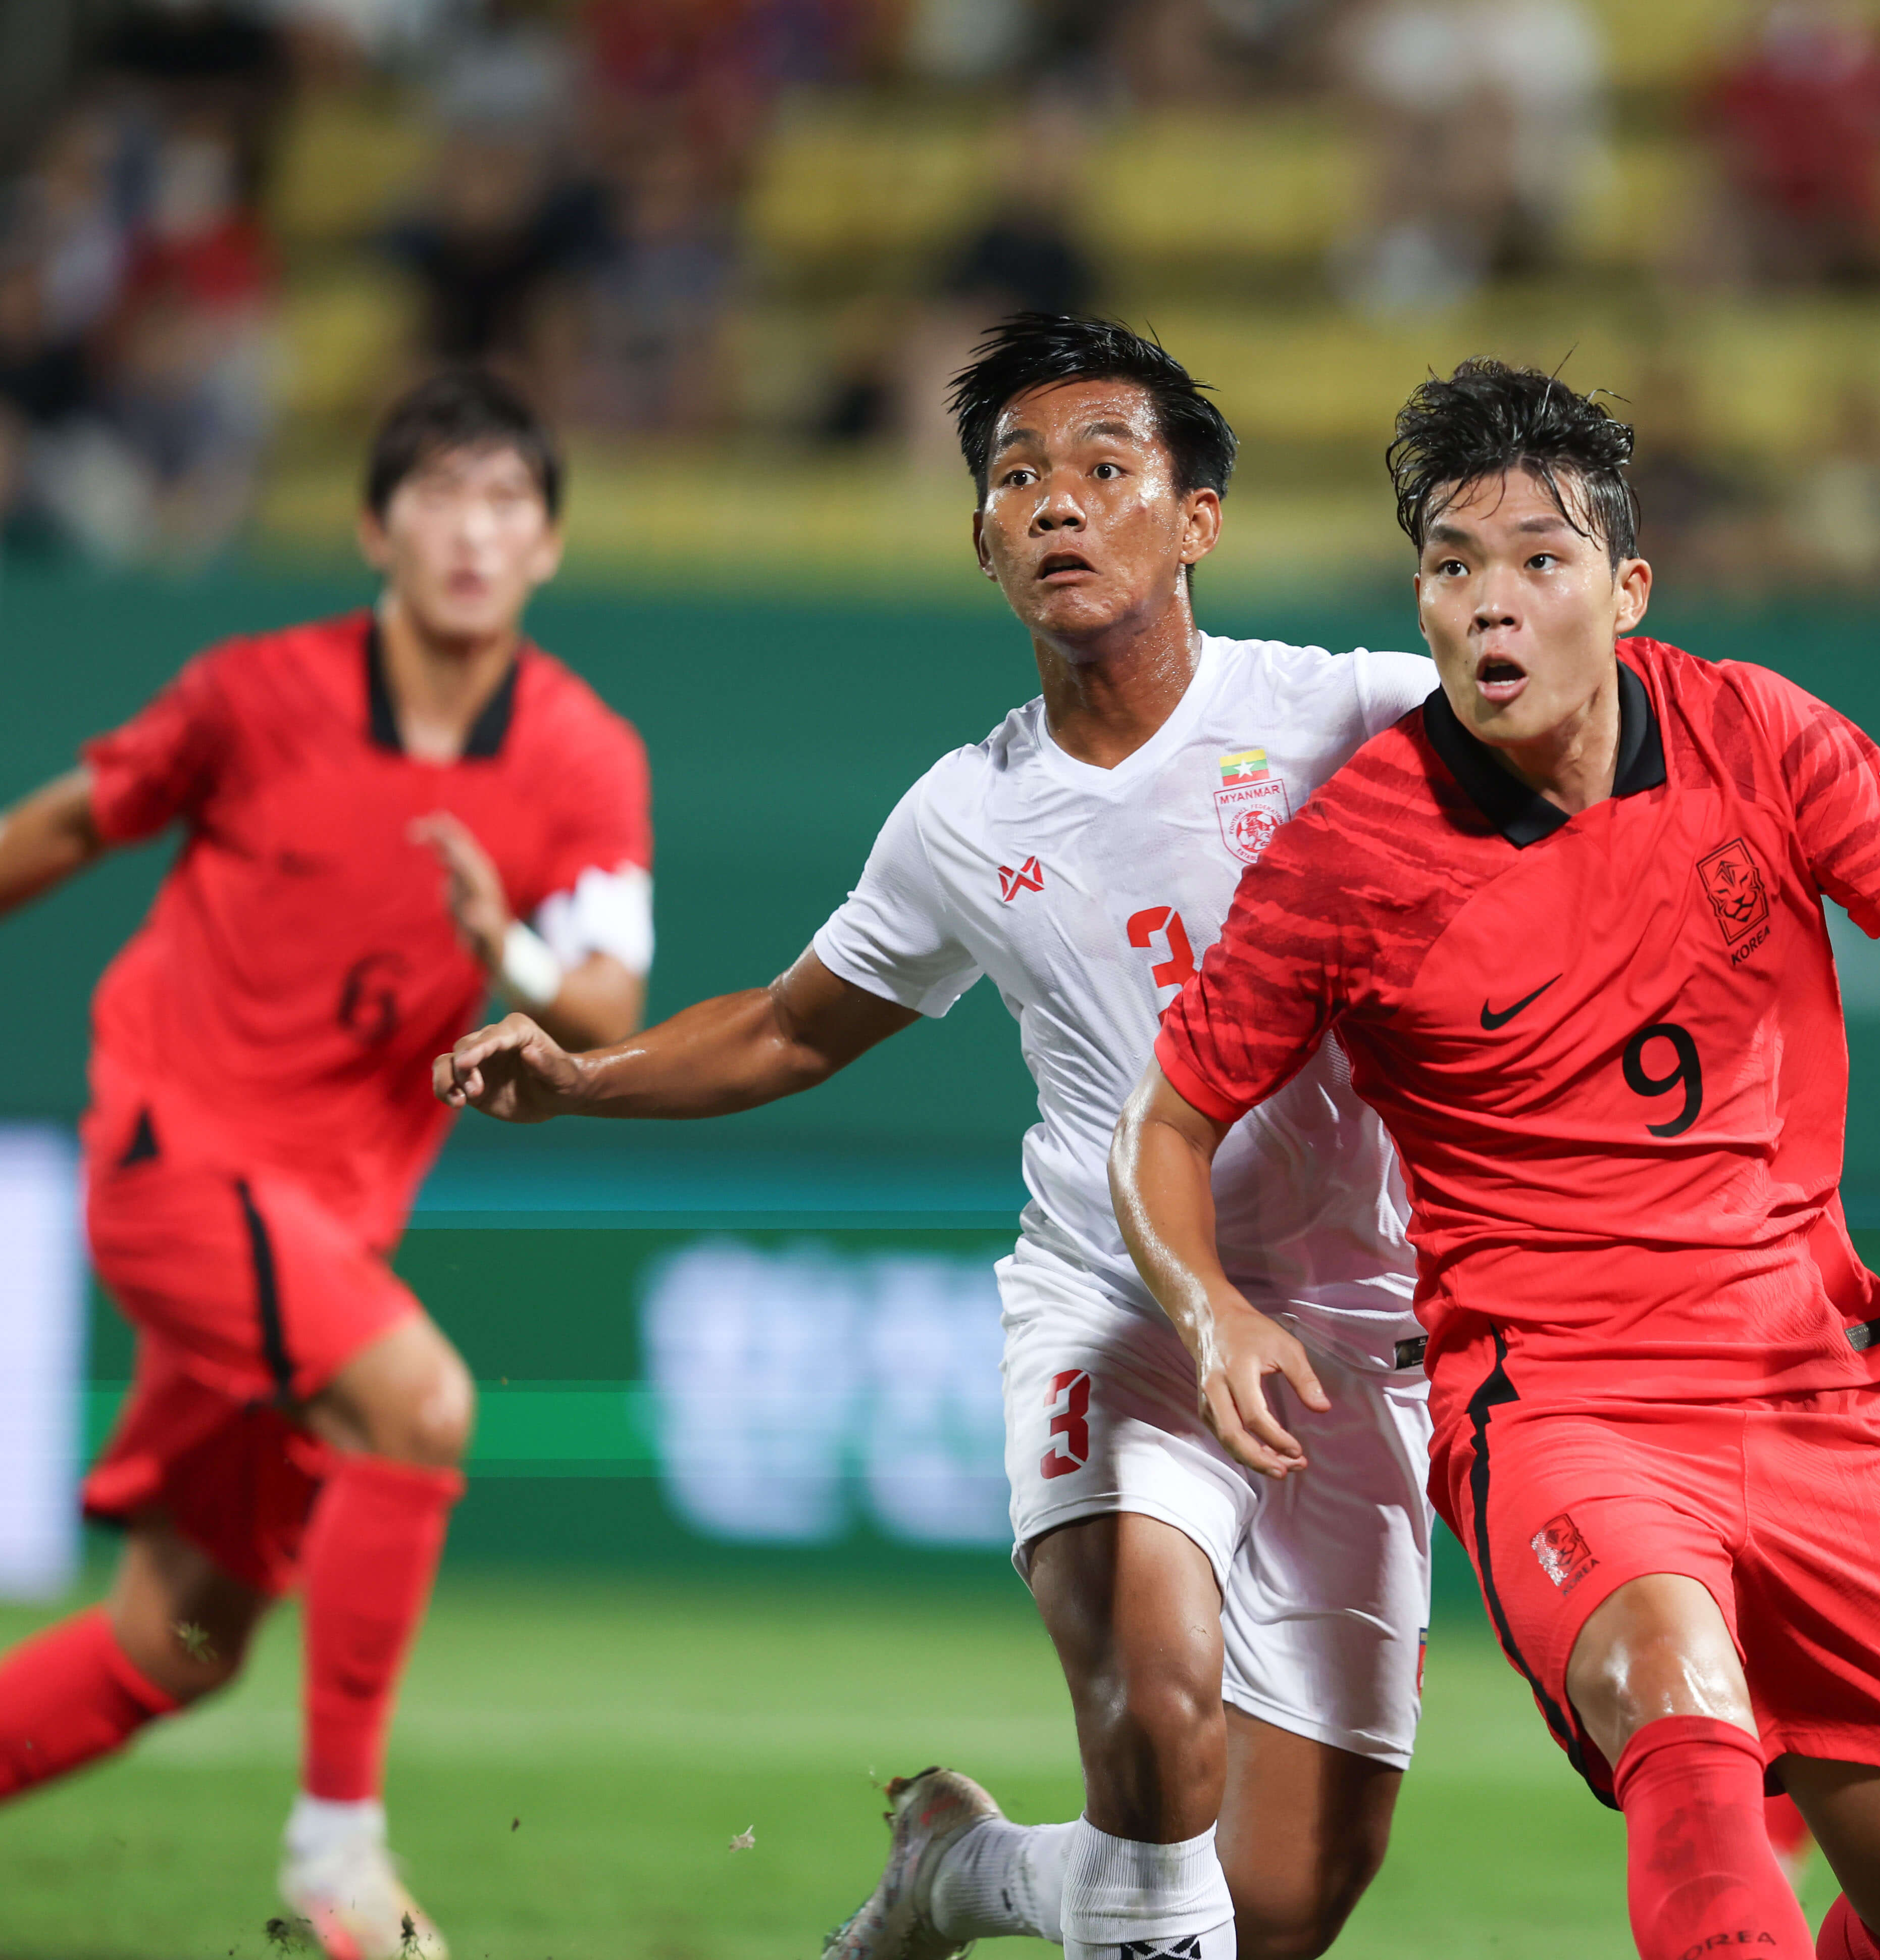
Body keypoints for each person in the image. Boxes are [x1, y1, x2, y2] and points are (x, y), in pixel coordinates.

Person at [432, 314, 1439, 1960]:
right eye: (1017, 478)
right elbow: (784, 1023)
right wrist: (585, 1074)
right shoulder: (969, 814)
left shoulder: (1355, 718)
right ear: (980, 535)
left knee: (1278, 1903)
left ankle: (954, 1872)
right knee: (1157, 1711)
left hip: (1348, 1341)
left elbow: (1602, 765)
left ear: (1197, 520)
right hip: (1118, 1308)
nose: (1056, 505)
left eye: (1106, 471)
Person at [1112, 359, 1880, 1960]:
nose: (1493, 604)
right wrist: (1212, 1312)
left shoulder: (1758, 731)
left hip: (1809, 1395)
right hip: (1559, 1406)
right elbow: (1166, 1124)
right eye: (1454, 566)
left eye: (1539, 562)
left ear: (1623, 589)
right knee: (1676, 1699)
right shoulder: (1355, 856)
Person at [0, 368, 653, 1959]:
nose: (472, 531)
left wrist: (511, 950)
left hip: (325, 1230)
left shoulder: (583, 759)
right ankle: (340, 1853)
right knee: (423, 1402)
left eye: (508, 501)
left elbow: (612, 1007)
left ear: (550, 544)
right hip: (170, 1154)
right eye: (440, 494)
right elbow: (81, 821)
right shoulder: (251, 693)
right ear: (375, 526)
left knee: (178, 1641)